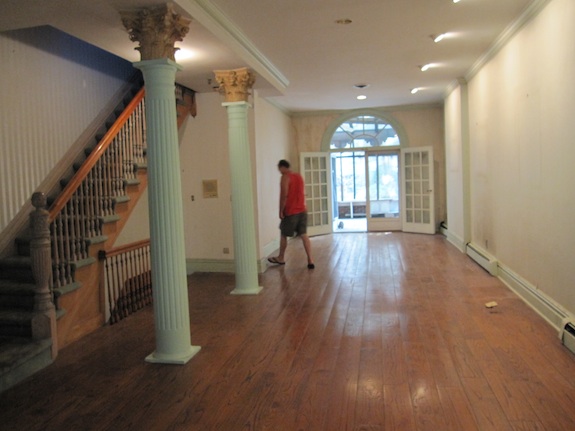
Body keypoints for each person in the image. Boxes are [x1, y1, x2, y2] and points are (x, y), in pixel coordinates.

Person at [268, 159, 315, 269]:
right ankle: (310, 259)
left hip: (291, 211)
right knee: (304, 234)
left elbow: (284, 195)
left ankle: (281, 257)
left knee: (284, 234)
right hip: (302, 210)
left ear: (282, 167)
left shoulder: (285, 177)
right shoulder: (298, 176)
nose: (279, 171)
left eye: (279, 168)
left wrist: (280, 210)